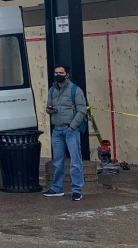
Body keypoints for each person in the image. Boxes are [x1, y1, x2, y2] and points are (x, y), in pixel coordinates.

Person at [43, 65, 87, 201]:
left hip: (70, 130)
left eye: (61, 72)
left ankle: (77, 190)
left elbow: (82, 111)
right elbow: (47, 108)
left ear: (67, 74)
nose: (58, 75)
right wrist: (50, 110)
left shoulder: (75, 90)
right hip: (56, 130)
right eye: (56, 72)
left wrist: (72, 127)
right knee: (57, 161)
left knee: (75, 161)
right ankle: (57, 189)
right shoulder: (52, 90)